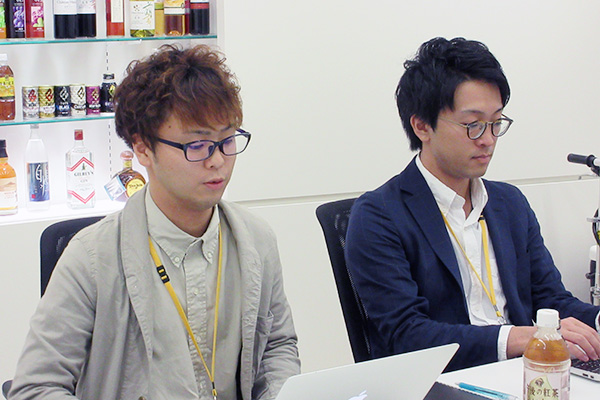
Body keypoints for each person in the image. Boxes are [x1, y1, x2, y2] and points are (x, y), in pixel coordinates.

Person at [9, 44, 300, 400]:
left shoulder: (255, 239)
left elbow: (277, 346)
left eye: (227, 140)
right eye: (198, 145)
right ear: (143, 148)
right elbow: (36, 388)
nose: (217, 161)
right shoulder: (91, 258)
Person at [345, 37, 600, 371]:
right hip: (446, 382)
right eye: (473, 125)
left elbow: (551, 300)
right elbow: (406, 336)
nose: (488, 139)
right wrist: (518, 338)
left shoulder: (509, 204)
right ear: (422, 126)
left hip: (526, 374)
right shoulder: (379, 216)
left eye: (496, 122)